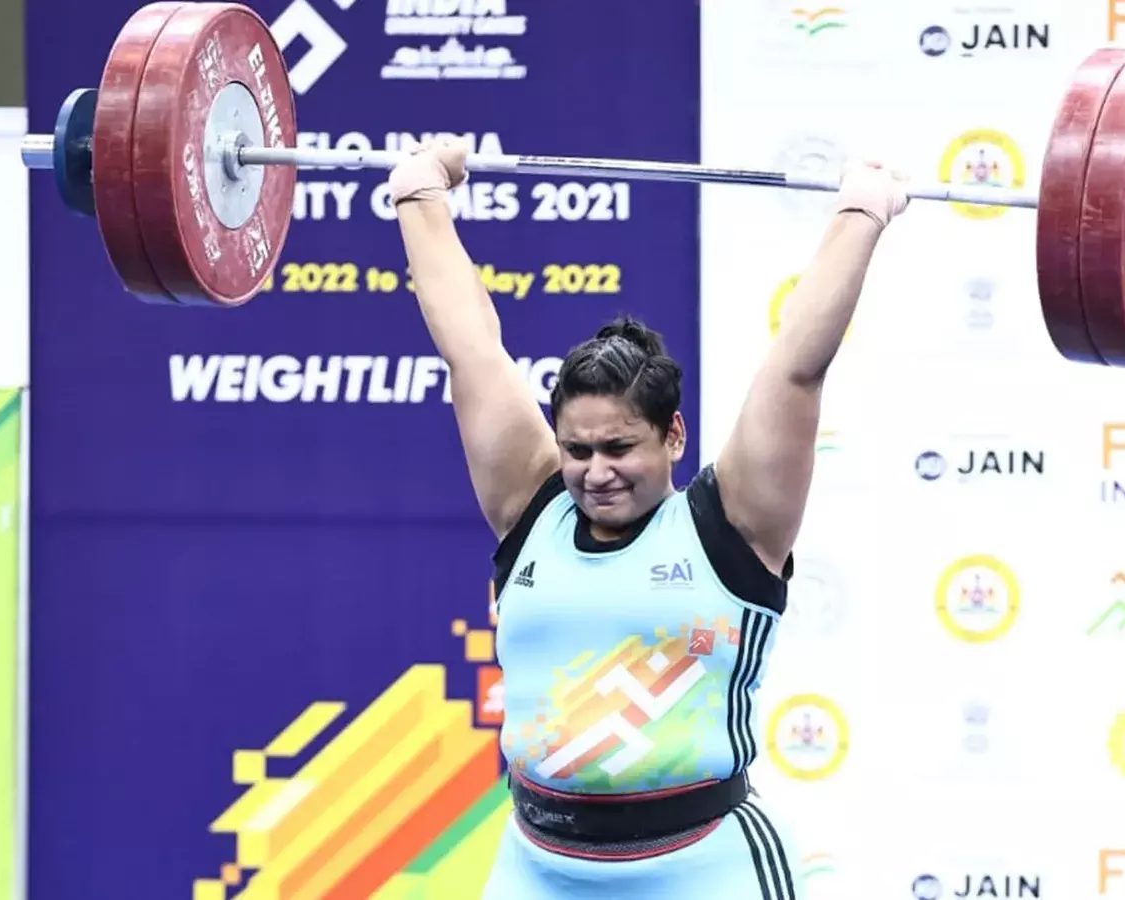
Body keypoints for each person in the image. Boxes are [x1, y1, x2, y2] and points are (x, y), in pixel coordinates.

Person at [388, 139, 909, 900]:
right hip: (540, 869)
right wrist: (419, 195)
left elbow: (797, 367)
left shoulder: (732, 527)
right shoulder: (533, 510)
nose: (595, 472)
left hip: (702, 871)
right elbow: (471, 350)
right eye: (577, 450)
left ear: (673, 436)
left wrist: (862, 211)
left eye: (619, 448)